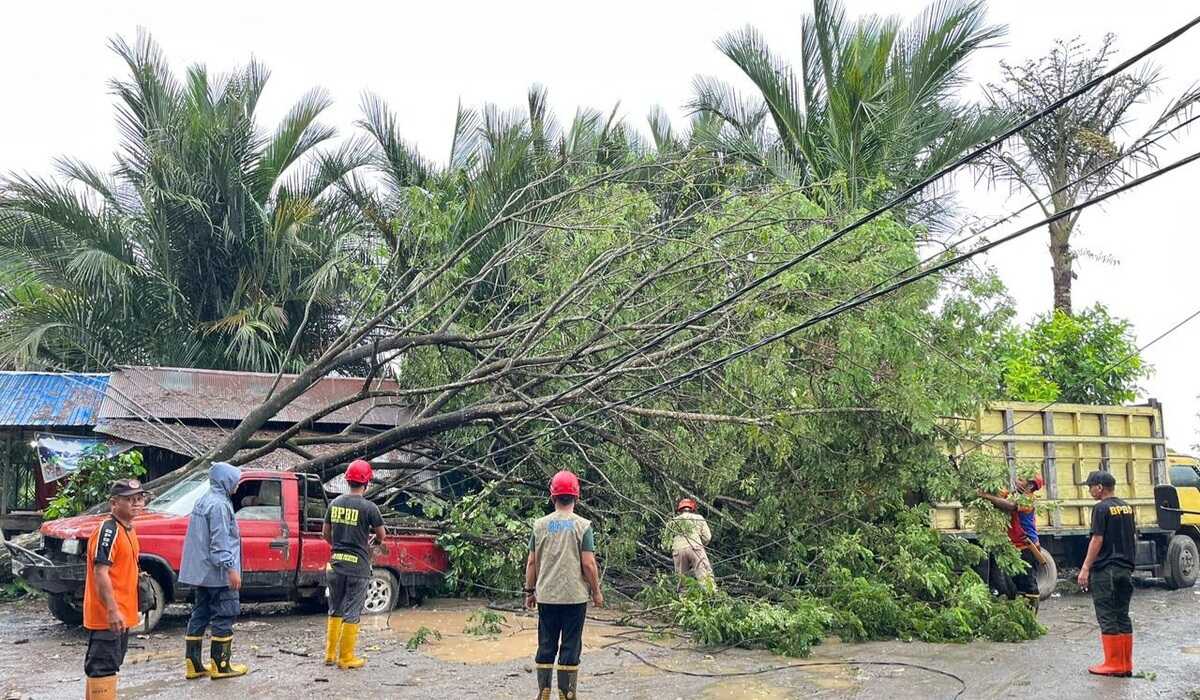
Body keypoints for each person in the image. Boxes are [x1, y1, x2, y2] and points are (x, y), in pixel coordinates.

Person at [524, 471, 603, 700]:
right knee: (570, 646)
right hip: (575, 598)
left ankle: (543, 692)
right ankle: (567, 695)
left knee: (546, 644)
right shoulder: (583, 526)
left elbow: (531, 562)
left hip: (547, 597)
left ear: (553, 496)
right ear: (576, 497)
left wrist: (530, 592)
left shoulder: (540, 525)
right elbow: (588, 564)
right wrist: (596, 592)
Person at [179, 462, 247, 680]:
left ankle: (194, 664)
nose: (237, 484)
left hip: (203, 573)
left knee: (200, 614)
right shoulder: (219, 505)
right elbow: (219, 542)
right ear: (225, 480)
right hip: (218, 574)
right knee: (225, 614)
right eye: (235, 480)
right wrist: (231, 569)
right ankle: (221, 665)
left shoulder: (204, 500)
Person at [82, 479, 147, 700]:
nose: (136, 503)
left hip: (122, 615)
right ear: (114, 503)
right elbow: (101, 572)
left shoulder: (128, 529)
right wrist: (112, 610)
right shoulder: (109, 531)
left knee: (110, 665)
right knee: (102, 667)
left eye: (139, 498)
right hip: (107, 615)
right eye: (129, 500)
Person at [322, 459, 386, 670]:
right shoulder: (370, 508)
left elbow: (325, 534)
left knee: (335, 609)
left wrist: (338, 547)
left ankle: (330, 655)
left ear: (347, 480)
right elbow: (381, 536)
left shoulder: (334, 504)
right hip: (357, 568)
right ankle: (346, 658)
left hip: (335, 565)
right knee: (352, 612)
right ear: (366, 483)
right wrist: (373, 543)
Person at [1077, 470, 1136, 677]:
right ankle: (1125, 663)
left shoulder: (1100, 508)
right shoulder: (1126, 507)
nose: (1089, 490)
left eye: (1090, 486)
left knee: (1107, 615)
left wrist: (1085, 568)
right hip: (1125, 569)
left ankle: (1113, 663)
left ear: (1100, 487)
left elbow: (1097, 539)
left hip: (1107, 569)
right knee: (1122, 614)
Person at [977, 475, 1044, 611]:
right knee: (1011, 584)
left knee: (1028, 585)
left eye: (1021, 479)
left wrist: (985, 496)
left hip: (1027, 547)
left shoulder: (1028, 500)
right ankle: (1018, 613)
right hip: (1013, 547)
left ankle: (1031, 616)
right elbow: (998, 494)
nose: (1017, 481)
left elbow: (1011, 506)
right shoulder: (1013, 495)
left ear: (1030, 486)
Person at [666, 498, 714, 588]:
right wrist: (701, 544)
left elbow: (667, 541)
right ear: (692, 509)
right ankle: (710, 596)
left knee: (682, 579)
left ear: (679, 510)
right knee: (705, 576)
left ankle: (683, 599)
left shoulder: (672, 522)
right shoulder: (699, 518)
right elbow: (707, 537)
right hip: (695, 547)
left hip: (678, 550)